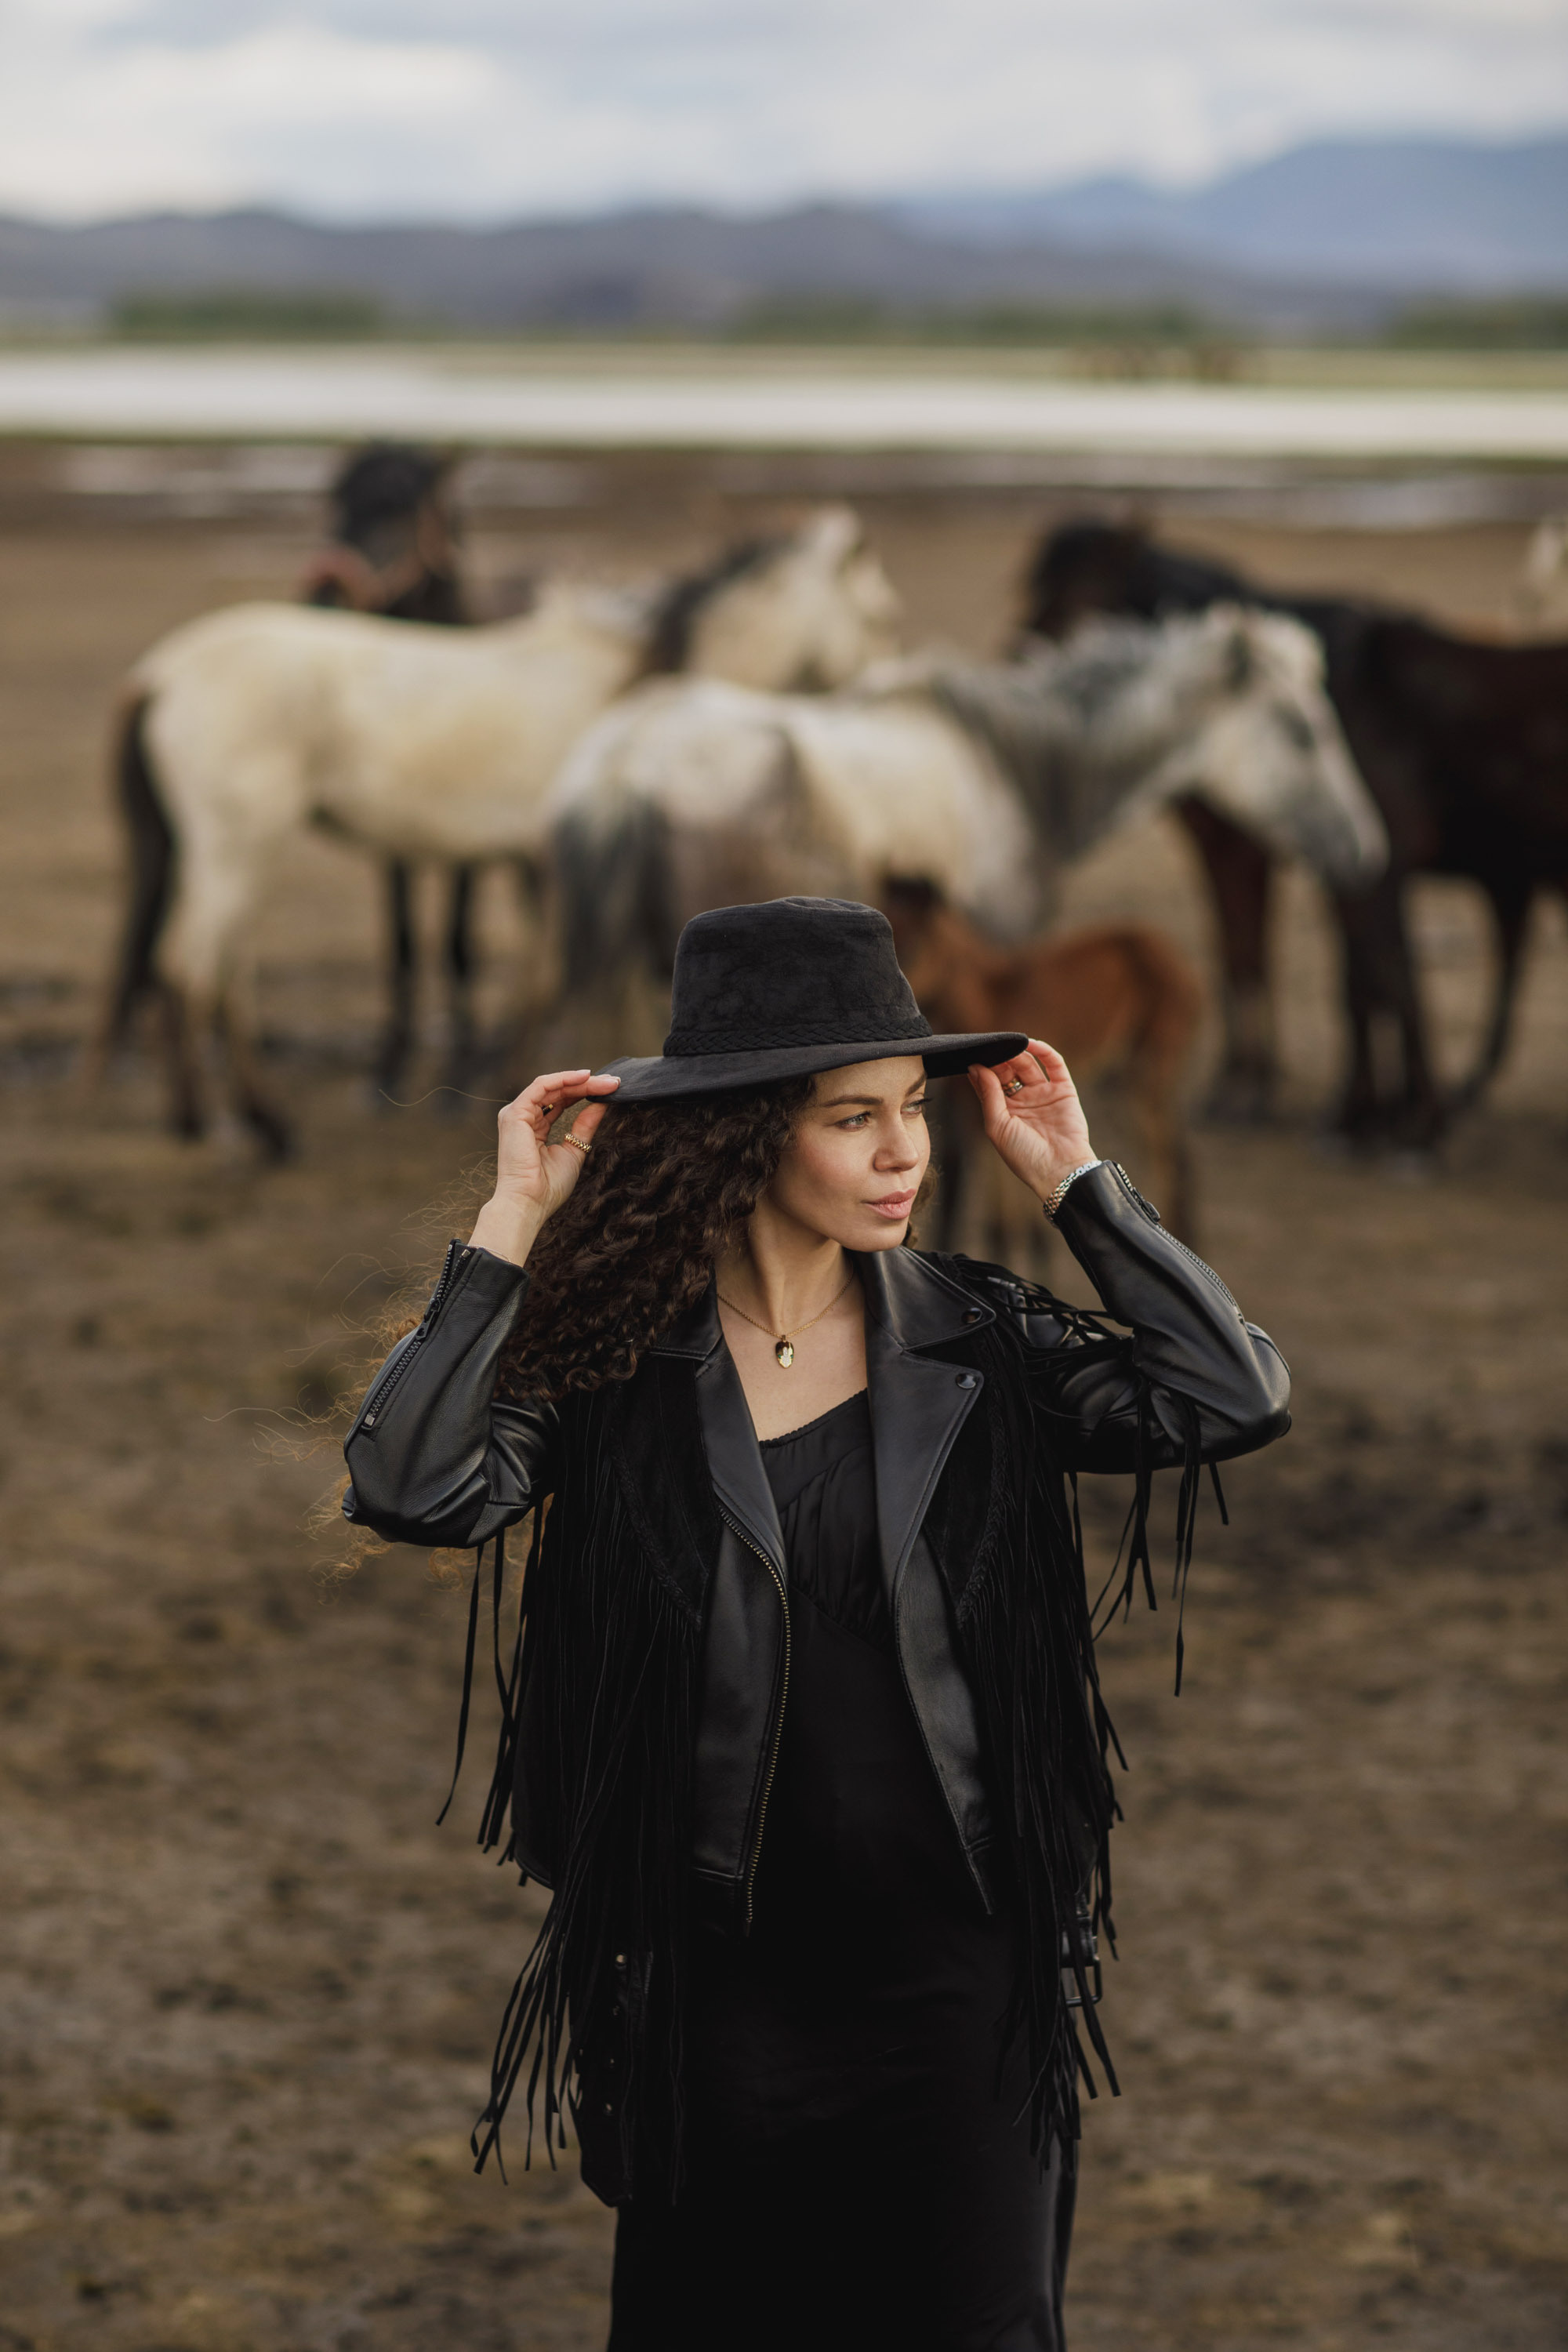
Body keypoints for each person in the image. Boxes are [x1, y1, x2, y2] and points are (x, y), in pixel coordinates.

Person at [343, 896, 1290, 2351]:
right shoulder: (609, 1373)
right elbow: (413, 1487)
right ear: (745, 1131)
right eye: (856, 1119)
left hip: (960, 1983)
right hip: (718, 1991)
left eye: (914, 1110)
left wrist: (1082, 1186)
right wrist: (509, 1227)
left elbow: (1230, 1398)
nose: (909, 1151)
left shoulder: (979, 1340)